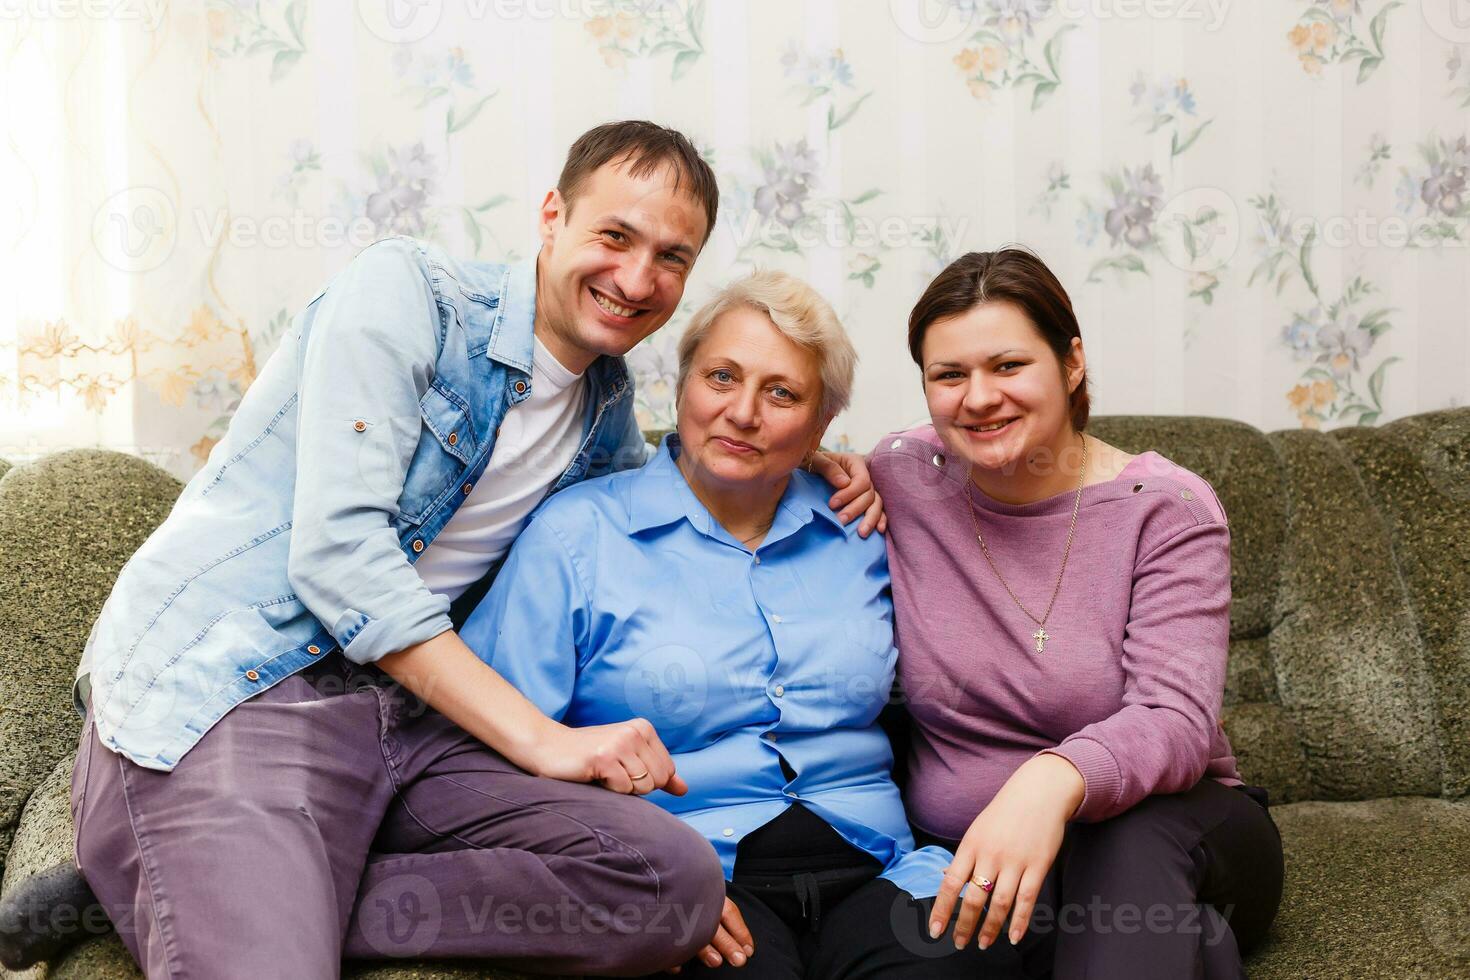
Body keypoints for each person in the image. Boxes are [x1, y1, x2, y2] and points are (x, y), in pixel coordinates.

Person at [9, 121, 888, 978]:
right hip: (243, 689)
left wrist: (800, 451)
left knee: (672, 881)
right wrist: (542, 741)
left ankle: (215, 885)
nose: (636, 277)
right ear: (552, 217)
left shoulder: (605, 414)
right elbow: (341, 558)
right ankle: (200, 872)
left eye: (671, 258)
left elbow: (676, 488)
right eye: (615, 236)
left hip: (406, 724)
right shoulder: (407, 295)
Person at [460, 271, 1022, 979]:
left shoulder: (866, 527)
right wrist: (639, 883)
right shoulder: (577, 536)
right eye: (721, 377)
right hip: (691, 873)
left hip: (884, 868)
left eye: (782, 393)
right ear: (681, 385)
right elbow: (493, 753)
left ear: (823, 425)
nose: (744, 412)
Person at [869, 249, 1285, 979]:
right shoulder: (905, 475)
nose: (978, 397)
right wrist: (818, 467)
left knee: (1118, 837)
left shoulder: (1168, 509)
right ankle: (1196, 949)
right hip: (982, 860)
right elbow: (764, 458)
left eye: (1007, 366)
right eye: (949, 375)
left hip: (1175, 826)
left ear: (1071, 364)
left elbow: (1176, 719)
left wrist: (1050, 780)